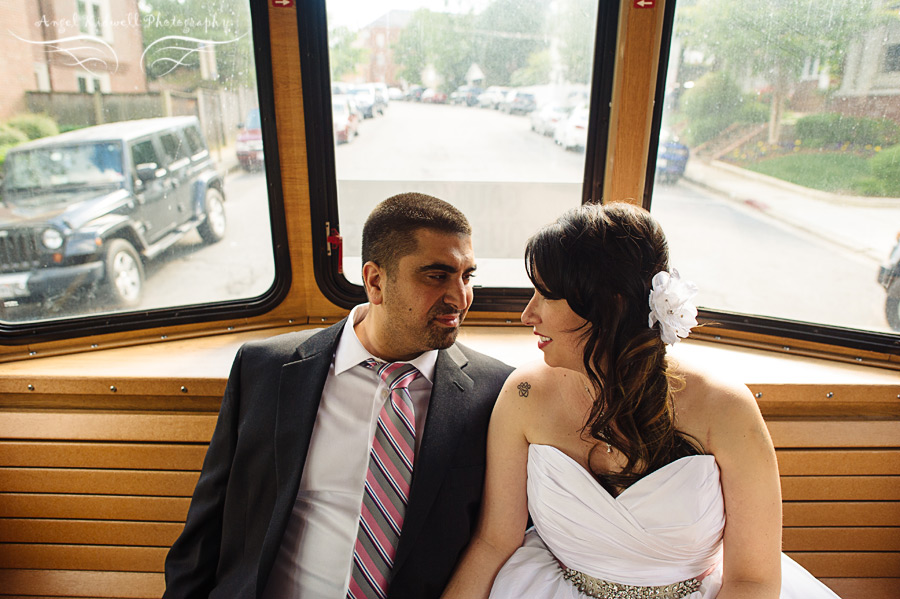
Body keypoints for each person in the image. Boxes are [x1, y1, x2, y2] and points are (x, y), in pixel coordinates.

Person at [441, 202, 841, 599]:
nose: (528, 314)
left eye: (546, 295)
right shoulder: (524, 394)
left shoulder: (725, 408)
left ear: (610, 303)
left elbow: (753, 580)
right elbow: (494, 542)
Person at [163, 192, 514, 599]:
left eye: (467, 275)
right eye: (437, 275)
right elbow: (205, 529)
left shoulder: (494, 392)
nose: (459, 297)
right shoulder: (266, 370)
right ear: (375, 280)